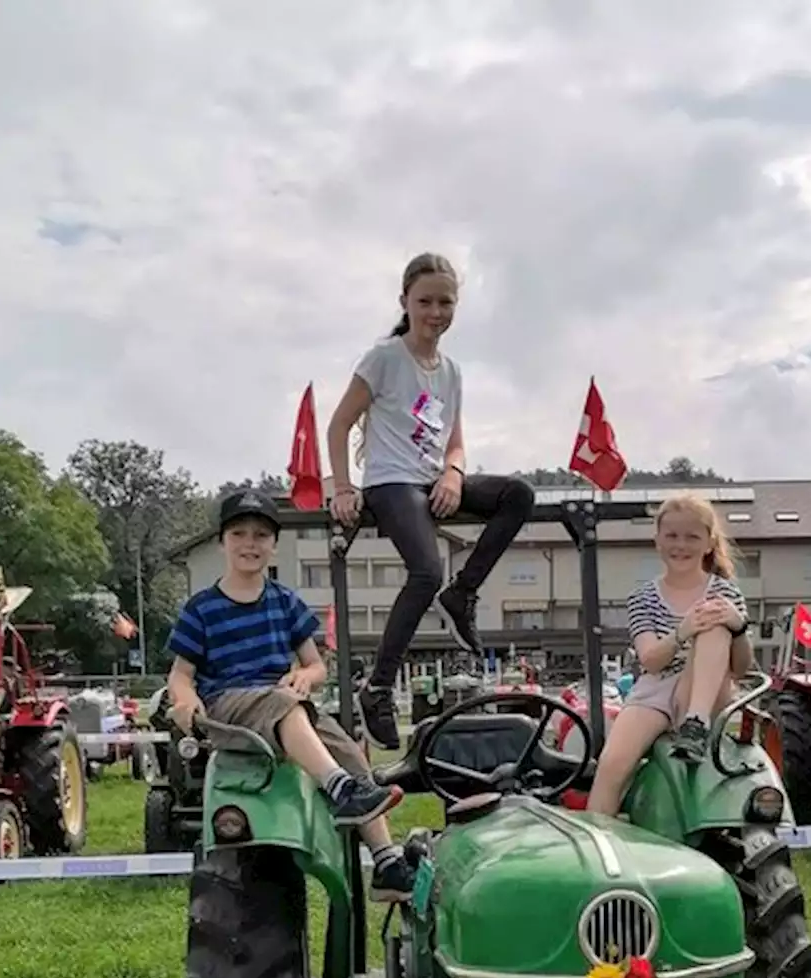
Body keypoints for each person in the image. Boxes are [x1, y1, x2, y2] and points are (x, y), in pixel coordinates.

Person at [325, 251, 536, 750]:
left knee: (518, 495)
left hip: (432, 478)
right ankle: (377, 686)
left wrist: (454, 473)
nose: (436, 312)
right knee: (424, 570)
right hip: (391, 480)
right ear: (405, 302)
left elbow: (455, 440)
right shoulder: (384, 358)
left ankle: (463, 592)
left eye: (445, 302)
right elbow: (338, 423)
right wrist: (341, 485)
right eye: (425, 301)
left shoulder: (451, 371)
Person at [165, 487, 416, 902]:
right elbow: (181, 674)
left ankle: (386, 860)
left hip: (284, 701)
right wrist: (185, 699)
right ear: (223, 541)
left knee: (347, 748)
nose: (250, 544)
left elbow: (315, 664)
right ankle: (337, 788)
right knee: (286, 706)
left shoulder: (284, 602)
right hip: (229, 706)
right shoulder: (201, 608)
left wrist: (306, 676)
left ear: (274, 546)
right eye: (240, 534)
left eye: (261, 535)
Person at [586, 493, 752, 816]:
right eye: (672, 536)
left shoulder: (724, 592)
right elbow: (649, 659)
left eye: (692, 537)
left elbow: (742, 668)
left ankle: (695, 723)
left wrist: (739, 627)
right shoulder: (643, 597)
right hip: (656, 689)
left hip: (704, 689)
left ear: (708, 543)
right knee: (611, 766)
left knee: (716, 623)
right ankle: (598, 837)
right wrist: (683, 630)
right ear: (658, 541)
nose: (681, 545)